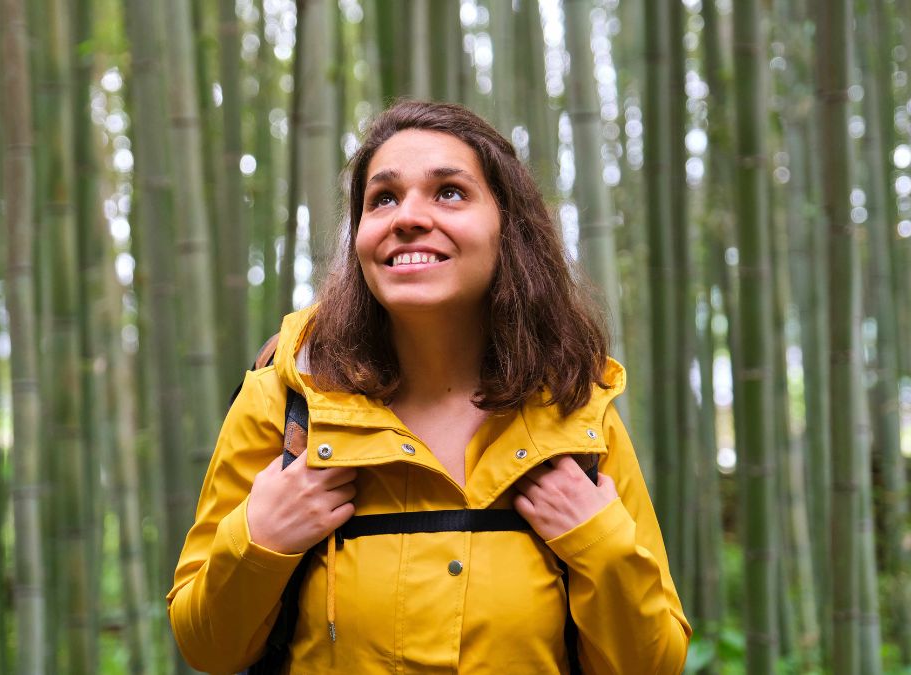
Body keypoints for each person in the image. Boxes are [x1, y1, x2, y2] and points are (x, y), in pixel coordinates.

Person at [167, 100, 690, 674]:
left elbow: (652, 664)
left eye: (449, 192)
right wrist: (261, 539)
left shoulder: (575, 415)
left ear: (507, 228)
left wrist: (598, 544)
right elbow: (207, 646)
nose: (407, 217)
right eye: (383, 198)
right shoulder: (289, 401)